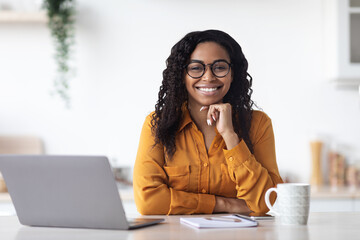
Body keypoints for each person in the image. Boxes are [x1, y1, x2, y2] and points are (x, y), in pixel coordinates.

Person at [133, 30, 283, 215]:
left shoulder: (258, 124)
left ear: (232, 73)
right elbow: (148, 202)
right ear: (182, 75)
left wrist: (230, 136)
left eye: (219, 67)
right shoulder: (157, 125)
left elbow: (268, 201)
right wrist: (225, 205)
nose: (208, 77)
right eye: (196, 68)